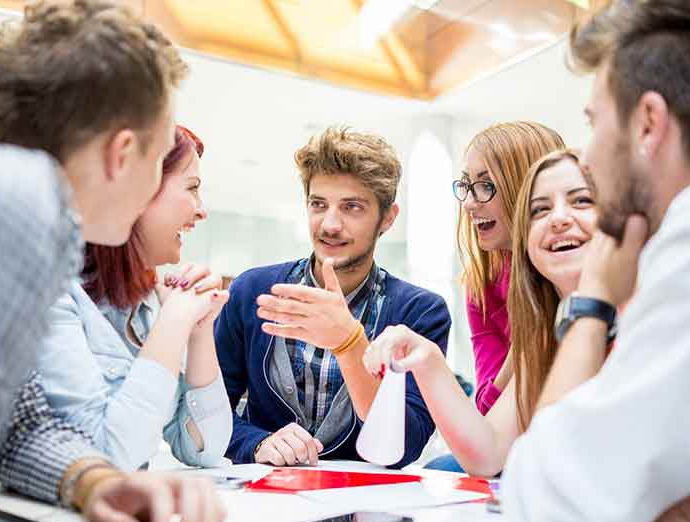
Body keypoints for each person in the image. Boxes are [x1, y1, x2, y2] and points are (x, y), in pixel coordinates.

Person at [0, 1, 225, 522]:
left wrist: (95, 482)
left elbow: (21, 427)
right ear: (121, 153)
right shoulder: (4, 202)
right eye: (157, 158)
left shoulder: (30, 224)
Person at [503, 0, 690, 522]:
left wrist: (591, 304)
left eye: (594, 122)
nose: (586, 154)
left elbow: (542, 502)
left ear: (649, 123)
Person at [0, 126, 233, 522]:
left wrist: (198, 329)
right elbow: (107, 460)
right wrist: (174, 323)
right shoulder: (47, 289)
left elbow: (206, 450)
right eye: (191, 188)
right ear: (140, 191)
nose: (200, 210)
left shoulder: (144, 306)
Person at [216, 126, 450, 467]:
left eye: (351, 207)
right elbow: (210, 412)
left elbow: (405, 444)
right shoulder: (252, 291)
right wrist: (256, 442)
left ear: (387, 218)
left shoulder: (421, 312)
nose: (329, 224)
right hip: (264, 498)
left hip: (365, 508)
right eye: (318, 204)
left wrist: (350, 343)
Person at [363, 150, 600, 476]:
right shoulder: (543, 330)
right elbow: (489, 453)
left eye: (582, 201)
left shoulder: (647, 313)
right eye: (540, 210)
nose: (558, 218)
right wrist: (428, 359)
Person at [457, 122, 565, 417]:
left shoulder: (570, 273)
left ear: (526, 189)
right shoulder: (482, 285)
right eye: (467, 185)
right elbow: (485, 409)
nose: (468, 203)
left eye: (486, 185)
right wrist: (524, 348)